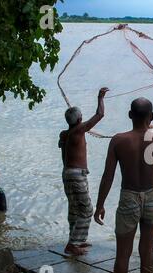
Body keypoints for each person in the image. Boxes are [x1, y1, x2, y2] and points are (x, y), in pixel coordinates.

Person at [94, 97, 153, 273]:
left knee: (123, 253)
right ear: (152, 117)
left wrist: (100, 204)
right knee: (147, 251)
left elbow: (108, 175)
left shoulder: (118, 140)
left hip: (129, 196)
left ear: (130, 115)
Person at [58, 88, 109, 256]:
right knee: (86, 210)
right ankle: (73, 244)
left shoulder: (64, 133)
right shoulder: (79, 130)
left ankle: (77, 239)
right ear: (79, 119)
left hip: (69, 174)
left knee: (74, 209)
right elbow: (100, 115)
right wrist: (100, 97)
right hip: (75, 175)